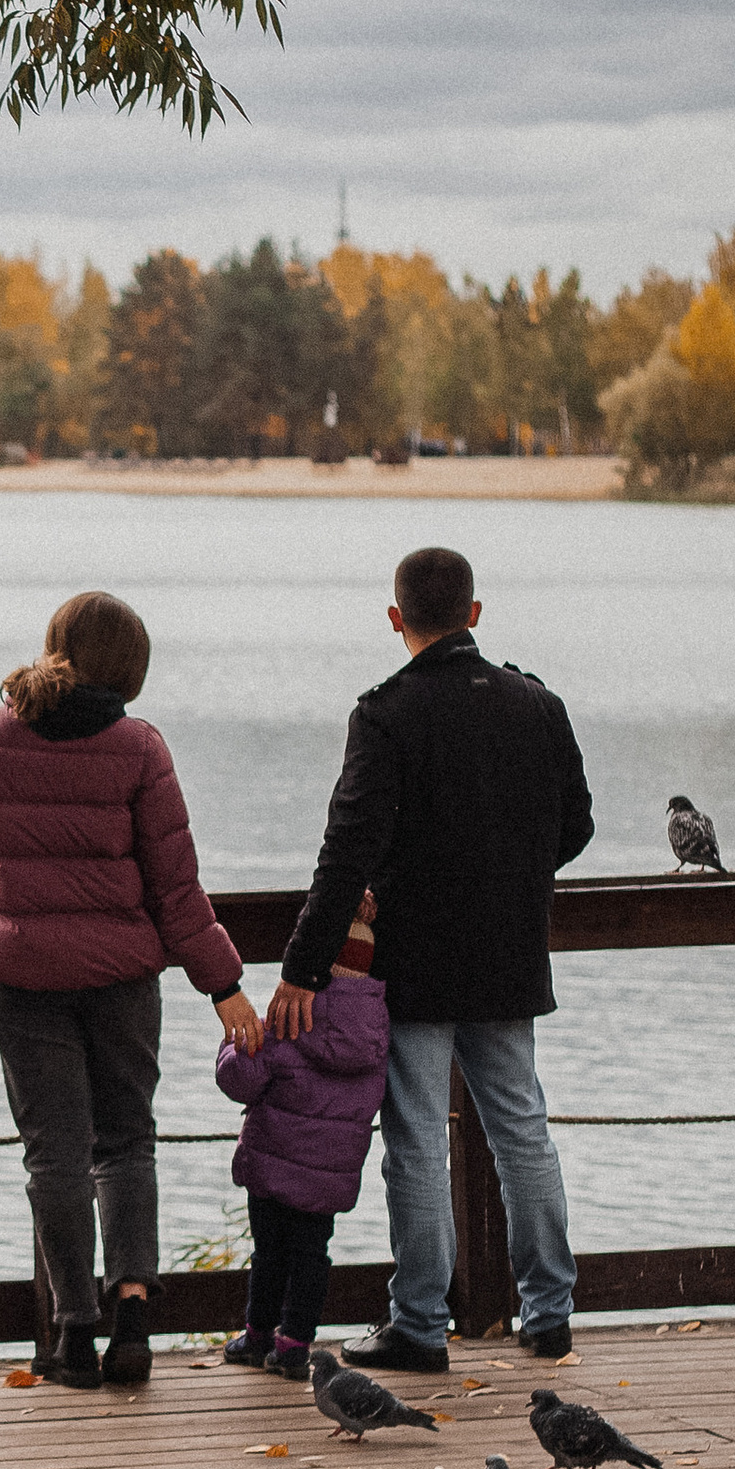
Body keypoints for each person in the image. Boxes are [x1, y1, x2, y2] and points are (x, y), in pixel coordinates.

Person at [268, 546, 593, 1369]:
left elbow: (347, 854)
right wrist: (507, 876)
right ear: (476, 615)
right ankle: (549, 1312)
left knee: (416, 1139)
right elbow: (576, 827)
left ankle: (418, 1325)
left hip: (414, 964)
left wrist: (302, 970)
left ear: (396, 619)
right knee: (523, 1130)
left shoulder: (385, 715)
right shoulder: (536, 705)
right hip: (510, 955)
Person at [0, 587, 262, 1389]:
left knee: (54, 1155)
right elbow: (176, 888)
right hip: (121, 979)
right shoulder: (139, 748)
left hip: (19, 978)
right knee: (125, 1143)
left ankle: (72, 1334)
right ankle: (135, 1327)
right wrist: (225, 987)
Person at [212, 891, 387, 1376]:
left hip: (272, 1162)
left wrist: (238, 1042)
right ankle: (294, 1346)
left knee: (269, 1252)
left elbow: (238, 1080)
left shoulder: (290, 1019)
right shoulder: (376, 1033)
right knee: (313, 1254)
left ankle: (258, 1335)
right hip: (329, 1176)